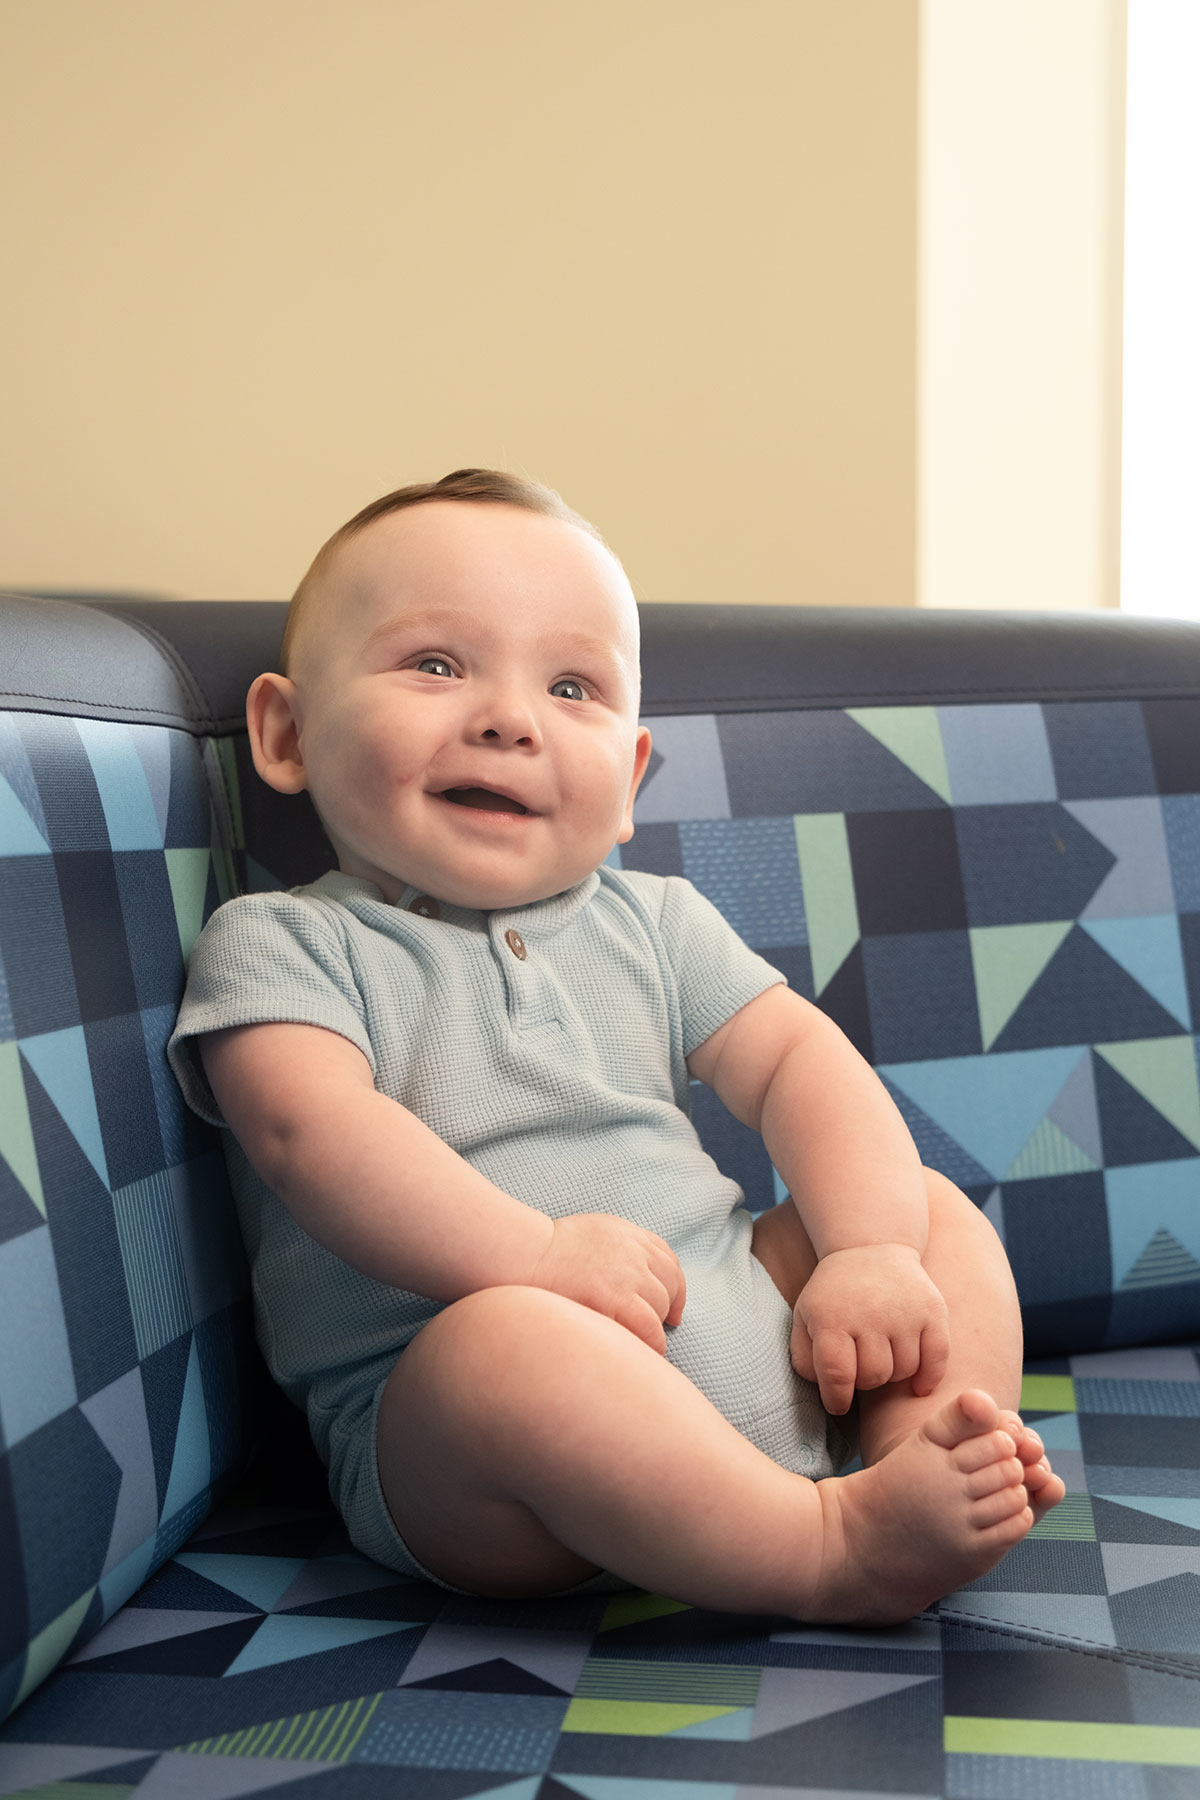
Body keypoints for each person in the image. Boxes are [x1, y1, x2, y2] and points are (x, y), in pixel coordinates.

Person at [168, 468, 1065, 1624]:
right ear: (285, 734)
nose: (508, 715)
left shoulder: (654, 922)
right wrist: (532, 1259)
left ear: (631, 779)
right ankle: (829, 1548)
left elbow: (803, 1065)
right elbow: (310, 1136)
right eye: (436, 664)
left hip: (732, 1312)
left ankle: (916, 1457)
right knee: (505, 1347)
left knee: (931, 1210)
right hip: (477, 1448)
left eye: (572, 684)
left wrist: (870, 1252)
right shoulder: (285, 943)